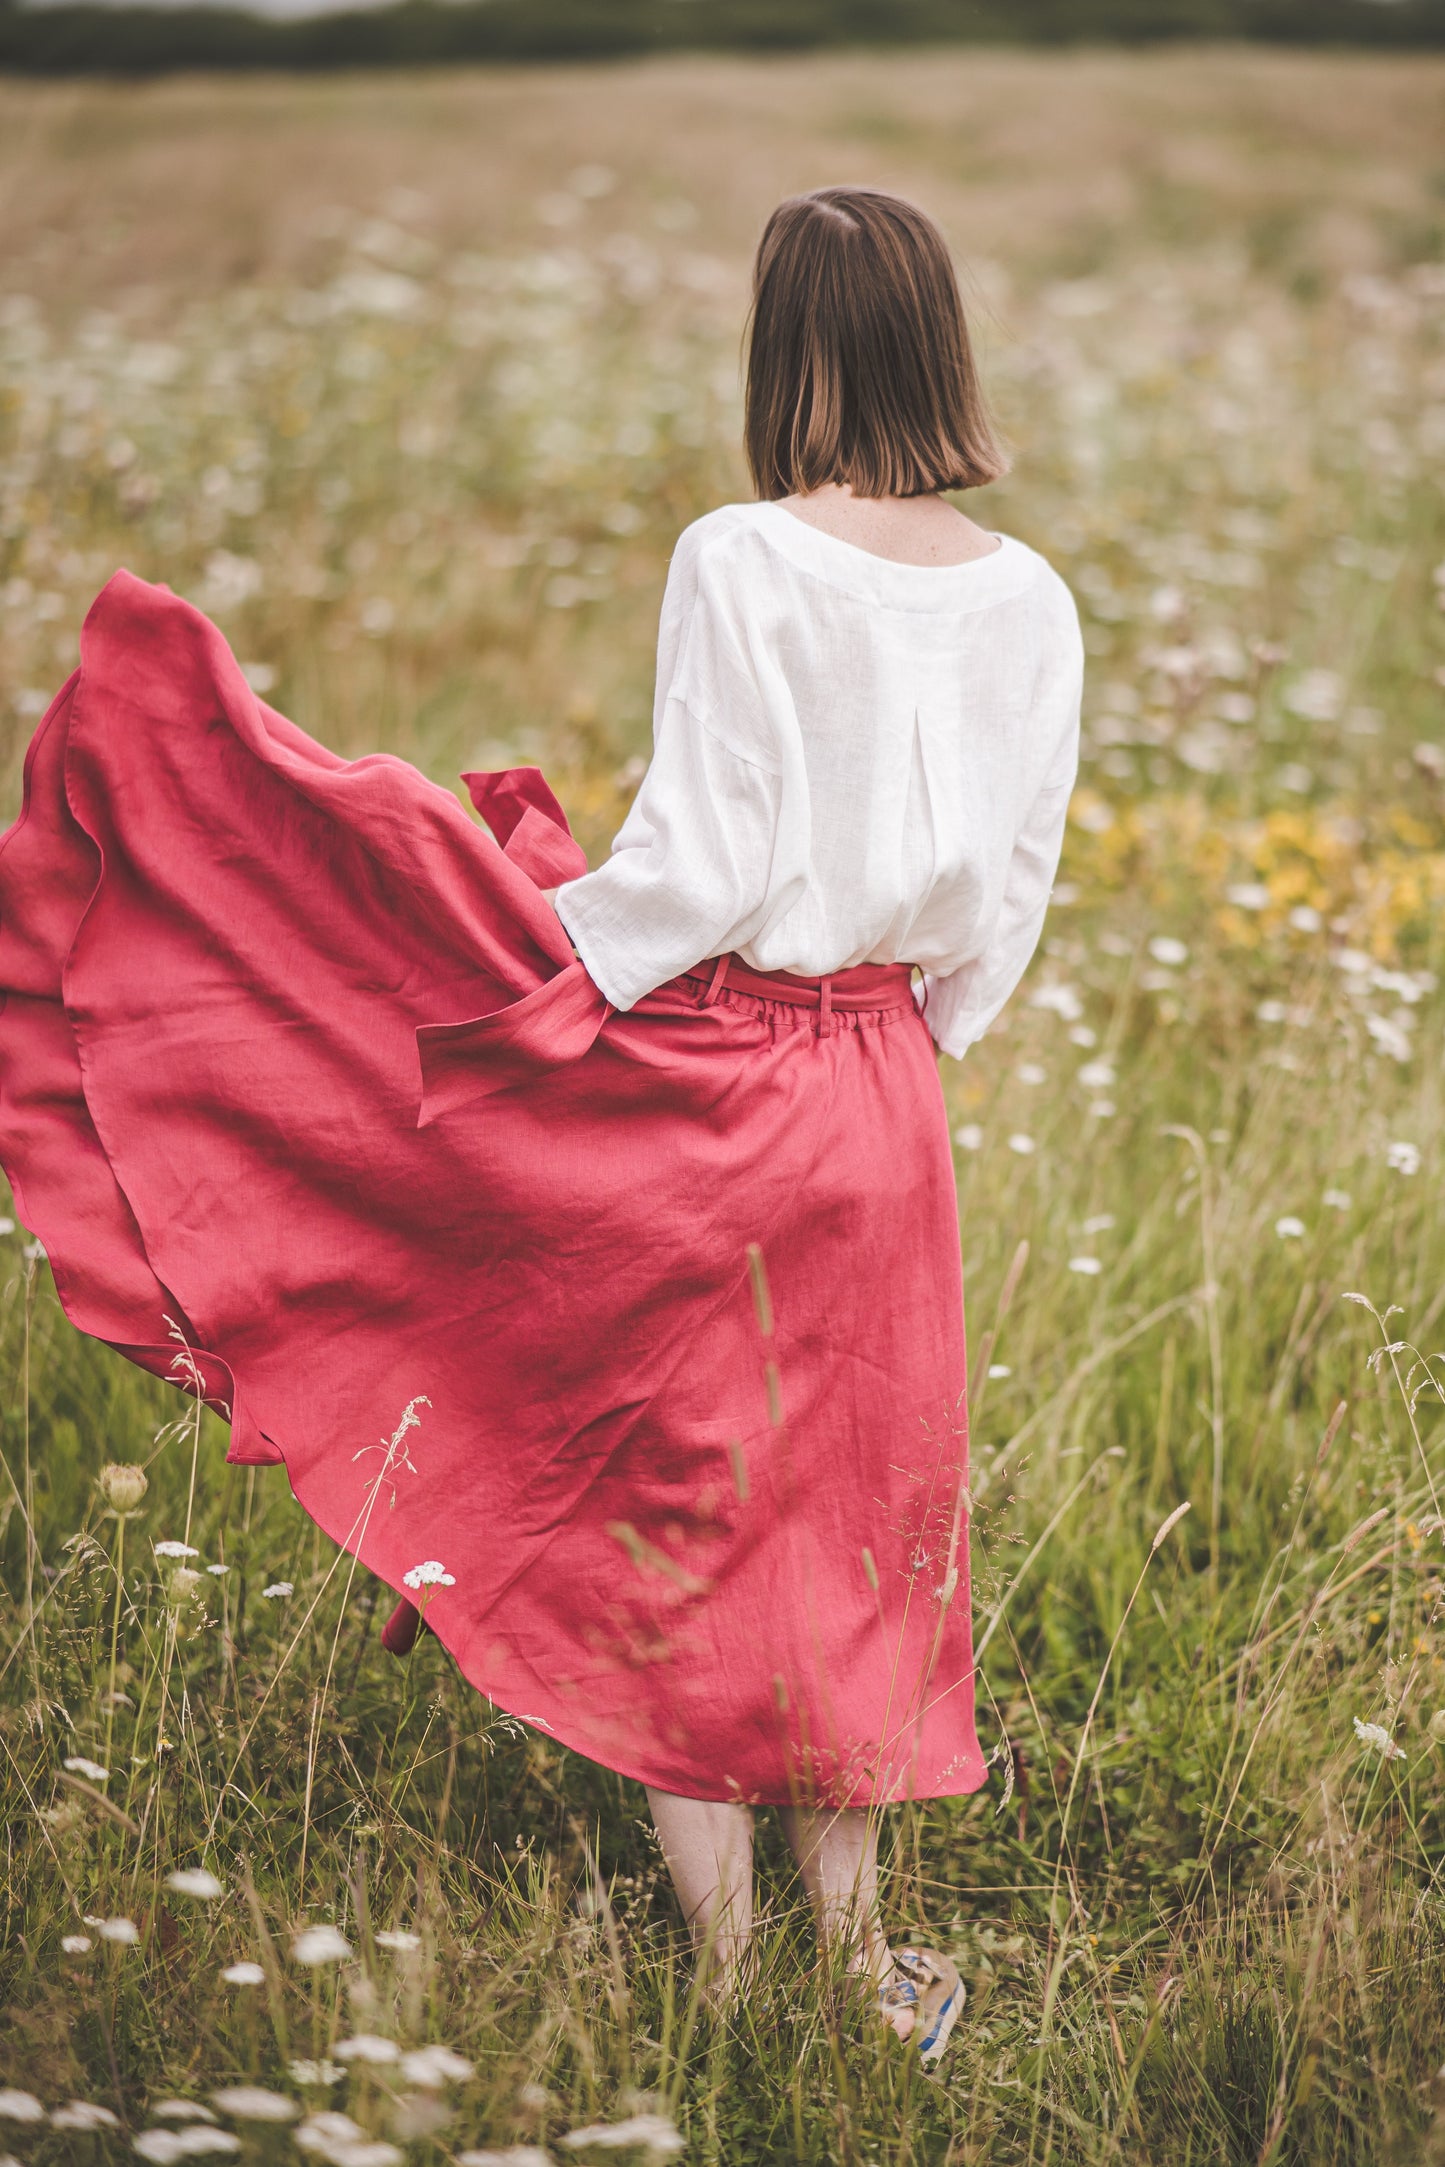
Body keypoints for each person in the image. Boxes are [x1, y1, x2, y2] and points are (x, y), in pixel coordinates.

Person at [0, 185, 1081, 2066]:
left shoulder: (744, 557)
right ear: (941, 339)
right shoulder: (1026, 594)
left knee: (684, 1512)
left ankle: (738, 1981)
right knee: (857, 1518)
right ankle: (853, 1963)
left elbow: (695, 868)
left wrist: (516, 969)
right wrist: (915, 1041)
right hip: (892, 1098)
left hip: (729, 1066)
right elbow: (1011, 884)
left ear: (788, 347)